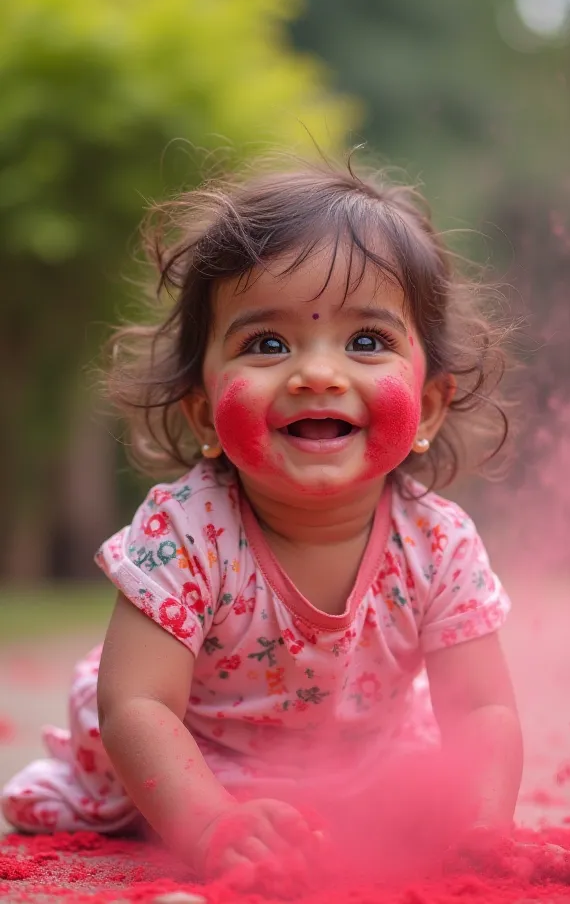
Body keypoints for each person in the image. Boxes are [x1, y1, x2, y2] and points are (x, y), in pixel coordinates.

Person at [2, 158, 523, 884]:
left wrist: (481, 825)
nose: (318, 374)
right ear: (204, 409)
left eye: (367, 341)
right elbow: (138, 704)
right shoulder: (185, 531)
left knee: (415, 781)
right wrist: (209, 821)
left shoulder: (439, 542)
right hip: (185, 757)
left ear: (430, 406)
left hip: (354, 754)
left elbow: (481, 710)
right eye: (267, 344)